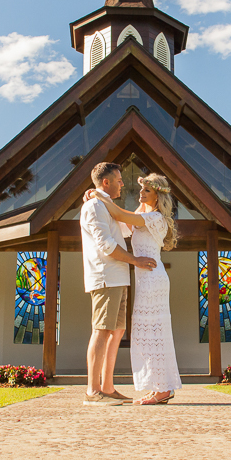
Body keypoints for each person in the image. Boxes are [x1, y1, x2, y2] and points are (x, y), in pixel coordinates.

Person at [86, 173, 182, 405]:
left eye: (146, 191)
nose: (140, 193)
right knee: (144, 334)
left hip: (153, 278)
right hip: (144, 279)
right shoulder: (143, 215)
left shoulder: (156, 217)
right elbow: (122, 223)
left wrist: (97, 193)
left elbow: (118, 213)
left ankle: (164, 389)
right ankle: (157, 386)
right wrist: (98, 198)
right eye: (141, 190)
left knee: (154, 332)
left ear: (158, 196)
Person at [80, 162, 157, 406]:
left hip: (119, 278)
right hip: (105, 277)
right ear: (106, 182)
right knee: (101, 330)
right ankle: (93, 392)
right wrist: (135, 260)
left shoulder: (106, 206)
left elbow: (127, 224)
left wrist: (147, 197)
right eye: (119, 180)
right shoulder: (94, 207)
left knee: (118, 331)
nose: (123, 184)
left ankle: (107, 387)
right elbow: (105, 245)